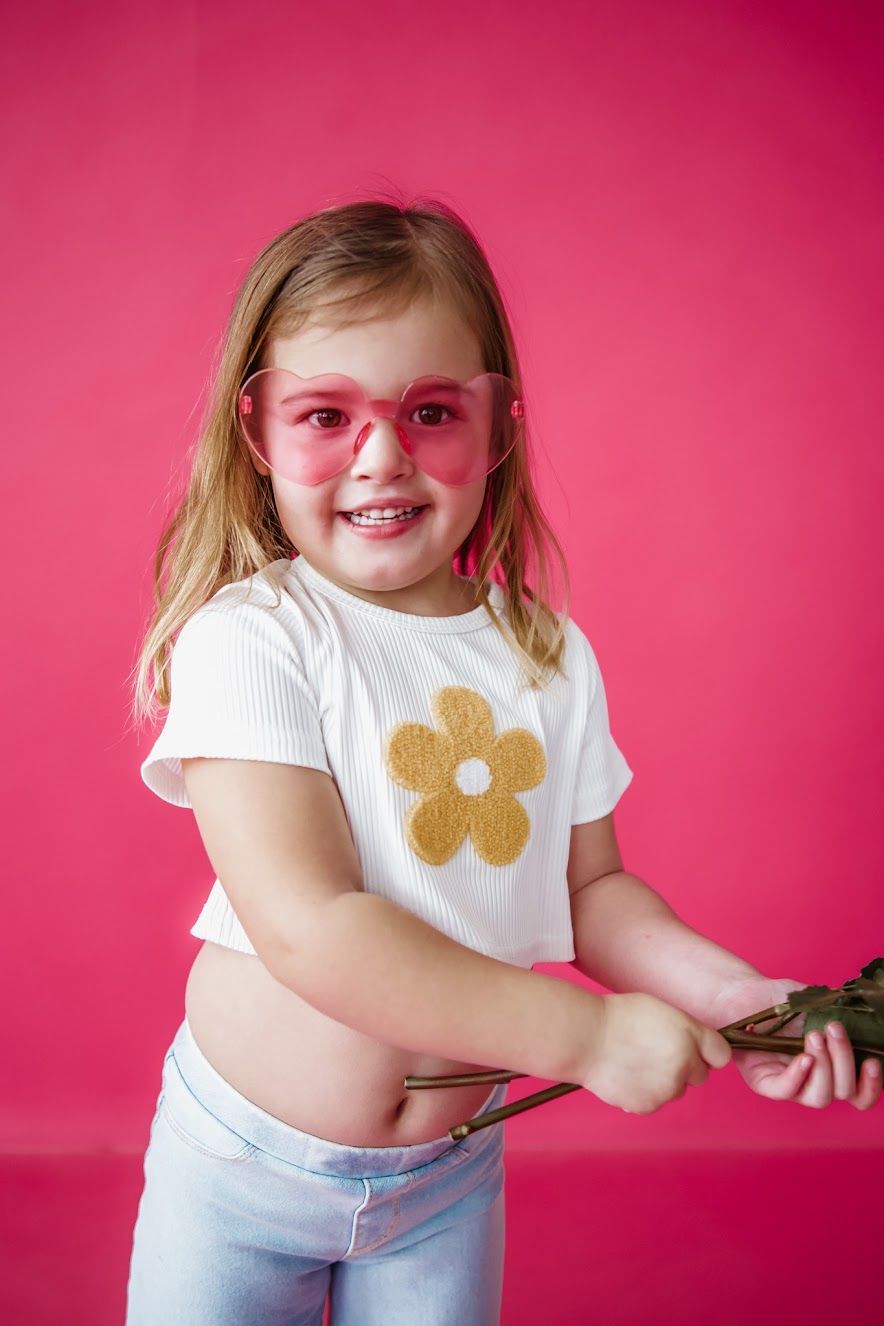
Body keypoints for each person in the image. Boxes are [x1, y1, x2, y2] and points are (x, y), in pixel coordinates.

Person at [124, 196, 880, 1326]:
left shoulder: (544, 654)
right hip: (242, 1172)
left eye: (430, 411)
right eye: (325, 415)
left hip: (443, 1184)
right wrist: (580, 1039)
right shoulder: (252, 639)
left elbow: (593, 893)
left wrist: (742, 1006)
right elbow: (309, 924)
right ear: (258, 436)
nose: (381, 455)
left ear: (497, 429)